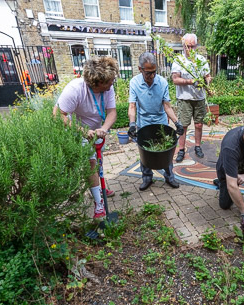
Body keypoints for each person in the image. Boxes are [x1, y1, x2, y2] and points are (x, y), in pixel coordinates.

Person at [53, 56, 118, 219]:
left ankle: (99, 188)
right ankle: (98, 204)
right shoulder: (75, 89)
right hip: (77, 131)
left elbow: (112, 112)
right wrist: (82, 130)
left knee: (98, 161)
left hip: (97, 131)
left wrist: (103, 129)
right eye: (109, 81)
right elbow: (58, 114)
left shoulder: (108, 88)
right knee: (90, 164)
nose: (112, 83)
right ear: (97, 83)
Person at [128, 52, 184, 191]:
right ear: (140, 69)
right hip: (144, 123)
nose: (152, 76)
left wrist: (177, 123)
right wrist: (132, 124)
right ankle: (147, 178)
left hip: (160, 122)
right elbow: (132, 106)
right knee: (145, 152)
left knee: (165, 151)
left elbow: (167, 106)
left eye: (154, 72)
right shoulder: (134, 83)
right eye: (148, 73)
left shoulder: (162, 82)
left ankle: (170, 177)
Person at [171, 33, 212, 163]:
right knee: (183, 126)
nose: (189, 49)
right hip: (184, 98)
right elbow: (175, 79)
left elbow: (208, 76)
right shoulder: (179, 61)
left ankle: (198, 147)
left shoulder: (201, 60)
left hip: (199, 98)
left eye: (192, 46)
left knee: (199, 124)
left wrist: (207, 82)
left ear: (196, 46)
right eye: (187, 46)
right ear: (183, 46)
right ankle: (181, 150)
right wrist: (191, 81)